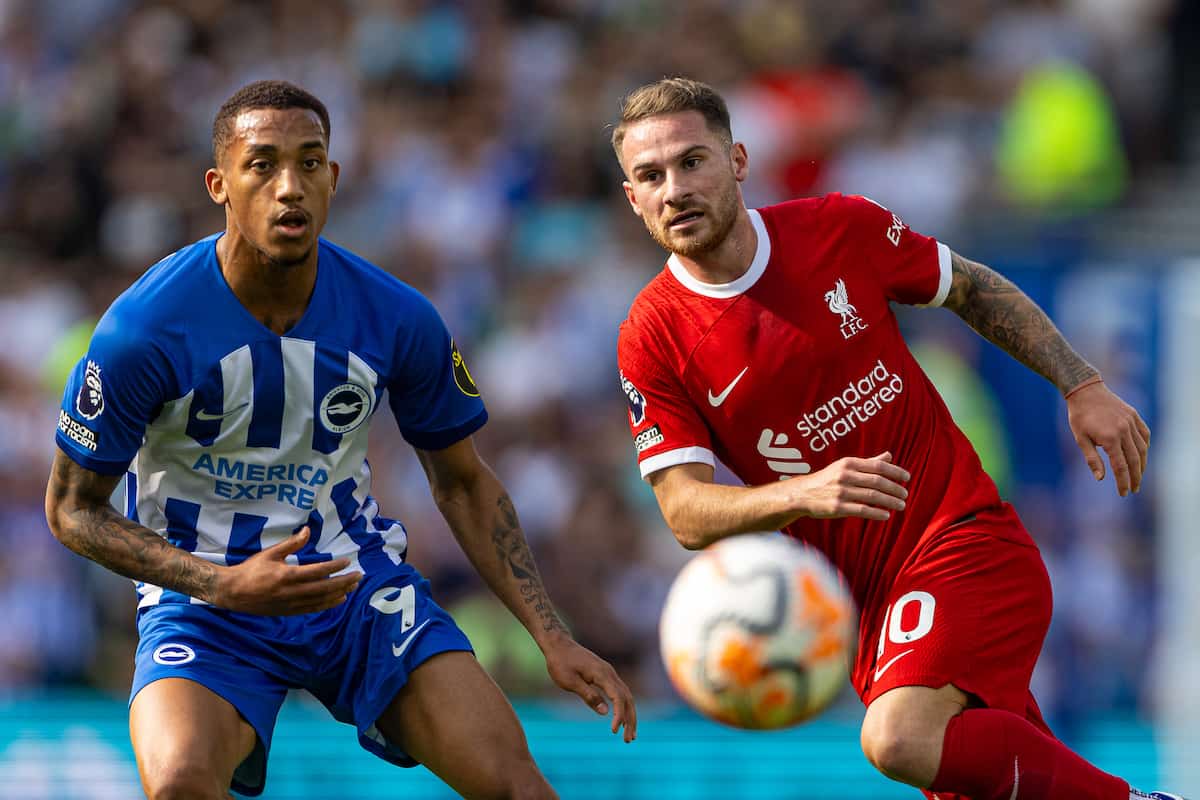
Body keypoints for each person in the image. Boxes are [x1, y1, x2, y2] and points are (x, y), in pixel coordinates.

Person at [44, 79, 636, 800]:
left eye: (309, 161)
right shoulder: (142, 330)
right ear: (218, 184)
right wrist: (220, 582)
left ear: (334, 177)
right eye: (262, 164)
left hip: (354, 587)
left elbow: (464, 481)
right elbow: (71, 509)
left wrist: (551, 635)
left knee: (519, 788)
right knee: (179, 784)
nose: (288, 187)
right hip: (208, 604)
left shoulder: (397, 318)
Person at [611, 77, 1174, 800]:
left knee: (897, 738)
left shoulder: (836, 229)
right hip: (867, 610)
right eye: (650, 176)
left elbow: (967, 286)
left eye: (692, 162)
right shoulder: (652, 337)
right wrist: (802, 493)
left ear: (739, 160)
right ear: (632, 198)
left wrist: (1081, 383)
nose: (674, 189)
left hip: (964, 541)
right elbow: (683, 511)